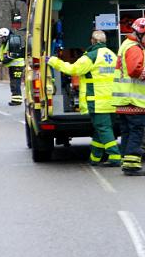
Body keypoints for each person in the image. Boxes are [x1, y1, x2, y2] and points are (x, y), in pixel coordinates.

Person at [47, 31, 120, 166]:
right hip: (113, 100)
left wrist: (53, 61)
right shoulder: (112, 55)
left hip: (98, 101)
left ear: (92, 41)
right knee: (101, 130)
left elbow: (73, 70)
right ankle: (95, 157)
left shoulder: (91, 57)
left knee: (103, 128)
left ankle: (115, 156)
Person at [111, 17, 145, 176]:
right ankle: (132, 165)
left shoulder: (127, 45)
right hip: (135, 102)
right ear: (140, 33)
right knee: (139, 133)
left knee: (128, 133)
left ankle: (127, 162)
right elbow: (135, 70)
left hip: (126, 101)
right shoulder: (134, 48)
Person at [0, 26, 25, 105]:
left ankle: (17, 100)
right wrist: (1, 61)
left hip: (17, 66)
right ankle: (15, 99)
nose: (2, 39)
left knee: (15, 82)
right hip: (13, 66)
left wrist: (3, 62)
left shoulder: (12, 42)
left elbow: (12, 55)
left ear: (6, 35)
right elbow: (6, 54)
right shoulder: (8, 42)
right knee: (14, 82)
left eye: (3, 37)